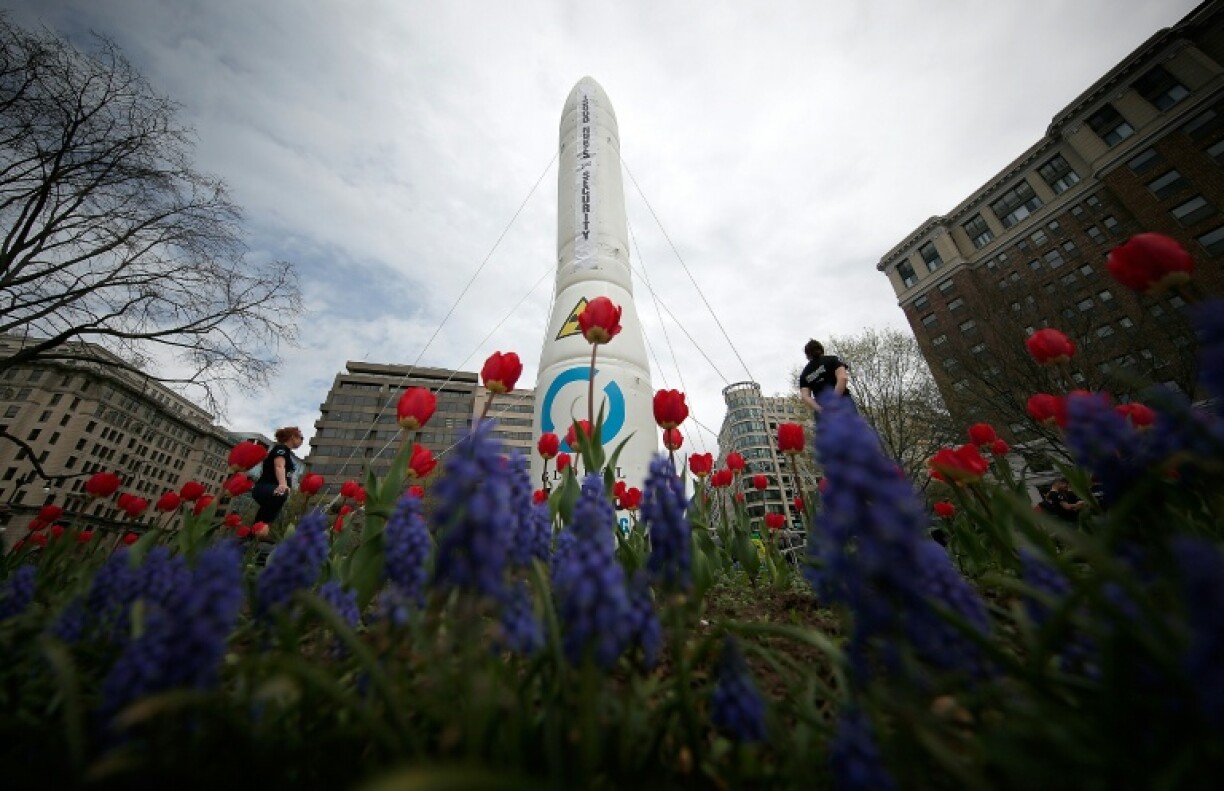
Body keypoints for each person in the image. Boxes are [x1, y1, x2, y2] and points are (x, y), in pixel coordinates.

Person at [252, 426, 304, 525]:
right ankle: (258, 530)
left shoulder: (287, 453)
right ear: (293, 437)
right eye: (301, 438)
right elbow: (279, 466)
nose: (302, 441)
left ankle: (257, 531)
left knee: (268, 512)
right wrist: (283, 485)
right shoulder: (281, 448)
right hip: (266, 487)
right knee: (280, 495)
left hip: (273, 489)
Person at [798, 339, 853, 419]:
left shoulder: (804, 374)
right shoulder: (832, 360)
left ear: (807, 355)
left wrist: (820, 410)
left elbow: (805, 397)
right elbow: (843, 378)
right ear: (821, 349)